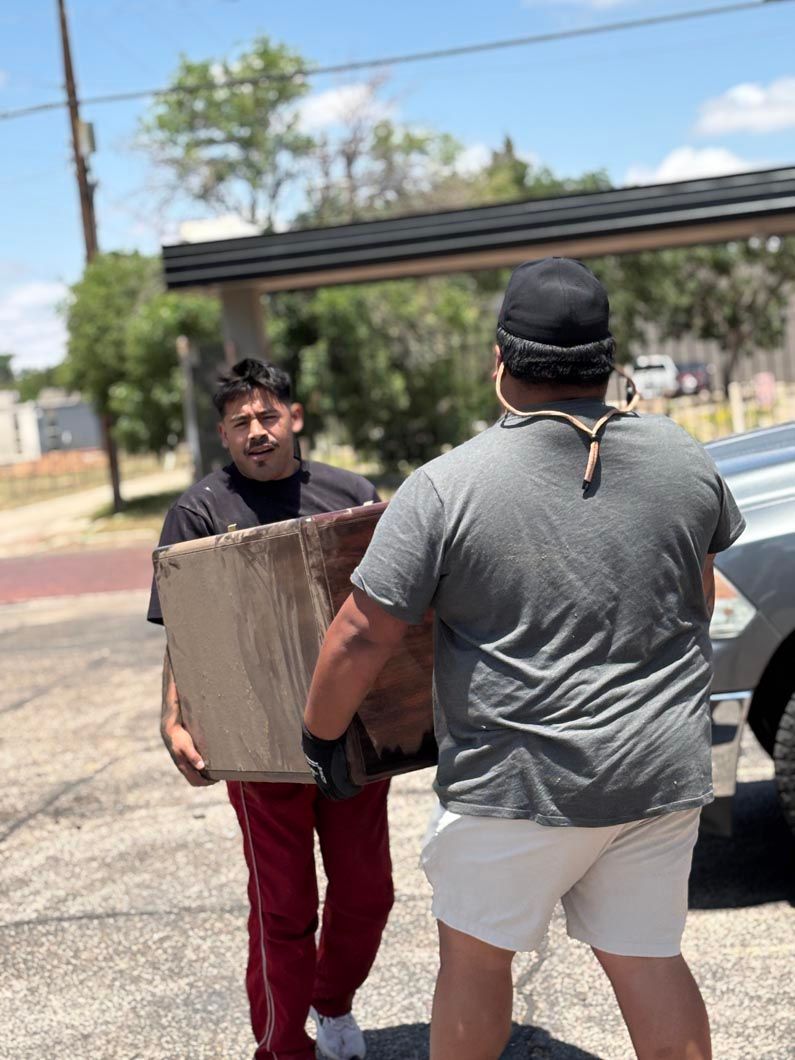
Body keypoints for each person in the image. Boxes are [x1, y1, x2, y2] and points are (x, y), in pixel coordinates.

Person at [301, 258, 745, 1060]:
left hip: (513, 783)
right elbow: (701, 593)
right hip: (656, 771)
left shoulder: (444, 486)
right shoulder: (684, 458)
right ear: (607, 363)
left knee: (474, 962)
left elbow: (362, 632)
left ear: (499, 360)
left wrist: (318, 737)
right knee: (647, 961)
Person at [148, 358, 393, 1060]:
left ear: (295, 416)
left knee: (368, 893)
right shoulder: (197, 512)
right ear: (223, 434)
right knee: (284, 909)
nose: (256, 432)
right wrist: (172, 718)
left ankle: (333, 1002)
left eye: (267, 416)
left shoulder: (350, 495)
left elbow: (390, 611)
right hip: (255, 739)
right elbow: (184, 633)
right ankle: (282, 1047)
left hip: (351, 728)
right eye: (239, 423)